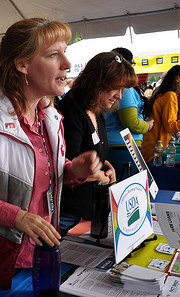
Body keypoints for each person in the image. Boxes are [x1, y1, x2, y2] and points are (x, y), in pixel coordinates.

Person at [0, 18, 101, 290]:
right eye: (53, 55)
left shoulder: (49, 116)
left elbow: (36, 176)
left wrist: (74, 171)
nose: (67, 64)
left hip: (42, 252)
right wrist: (17, 217)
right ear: (22, 64)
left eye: (65, 51)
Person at [57, 52, 136, 234]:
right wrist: (98, 175)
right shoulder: (70, 111)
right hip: (69, 213)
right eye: (116, 89)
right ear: (97, 83)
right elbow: (67, 166)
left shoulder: (96, 111)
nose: (119, 96)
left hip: (88, 211)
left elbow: (99, 153)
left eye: (122, 91)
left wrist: (108, 166)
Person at [104, 48, 154, 179]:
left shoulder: (120, 87)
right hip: (122, 147)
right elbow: (130, 121)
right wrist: (147, 126)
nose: (119, 96)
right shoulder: (126, 87)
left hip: (119, 146)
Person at [141, 65, 180, 162]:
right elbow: (170, 125)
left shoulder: (165, 94)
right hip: (157, 148)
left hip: (154, 145)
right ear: (177, 78)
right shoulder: (170, 96)